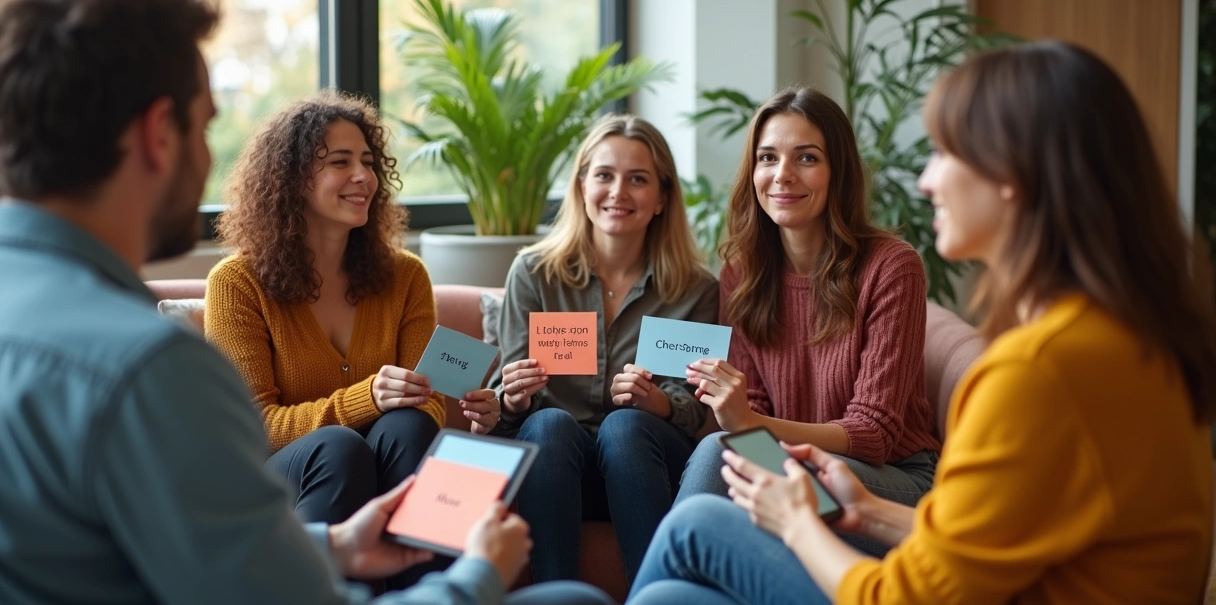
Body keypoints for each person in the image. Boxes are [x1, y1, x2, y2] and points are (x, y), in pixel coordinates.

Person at [0, 0, 610, 604]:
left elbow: (201, 553)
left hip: (342, 516)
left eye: (368, 162)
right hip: (313, 469)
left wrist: (337, 546)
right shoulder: (154, 365)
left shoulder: (36, 320)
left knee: (398, 430)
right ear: (159, 134)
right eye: (207, 127)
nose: (363, 178)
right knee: (571, 598)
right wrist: (477, 577)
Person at [629, 41, 1216, 604]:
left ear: (1018, 174)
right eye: (768, 157)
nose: (926, 179)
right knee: (671, 593)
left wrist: (799, 520)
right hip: (874, 503)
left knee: (700, 518)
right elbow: (986, 542)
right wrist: (864, 510)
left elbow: (907, 589)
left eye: (945, 152)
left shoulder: (1036, 372)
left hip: (893, 491)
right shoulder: (1127, 342)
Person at [205, 92, 494, 531]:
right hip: (285, 474)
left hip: (389, 458)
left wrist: (460, 405)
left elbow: (431, 399)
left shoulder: (406, 276)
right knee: (338, 446)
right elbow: (253, 429)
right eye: (340, 162)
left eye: (368, 162)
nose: (363, 176)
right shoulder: (237, 283)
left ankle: (426, 594)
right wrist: (366, 398)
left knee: (410, 424)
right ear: (292, 177)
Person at [676, 88, 941, 527]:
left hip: (888, 482)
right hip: (787, 461)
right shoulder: (743, 272)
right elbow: (754, 401)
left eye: (807, 158)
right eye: (767, 158)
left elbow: (872, 435)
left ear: (838, 172)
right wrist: (736, 413)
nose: (782, 175)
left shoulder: (892, 267)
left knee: (719, 455)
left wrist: (746, 423)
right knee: (717, 456)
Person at [484, 114, 718, 584]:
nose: (618, 192)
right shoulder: (533, 273)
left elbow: (693, 410)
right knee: (548, 423)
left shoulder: (696, 289)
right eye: (604, 175)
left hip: (643, 466)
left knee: (626, 426)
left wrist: (658, 403)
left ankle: (656, 595)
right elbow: (503, 403)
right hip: (551, 464)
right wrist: (513, 395)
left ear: (661, 198)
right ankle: (556, 597)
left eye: (638, 179)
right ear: (582, 187)